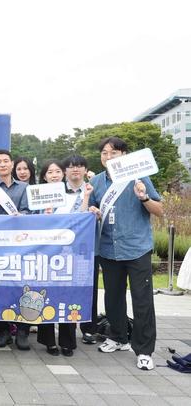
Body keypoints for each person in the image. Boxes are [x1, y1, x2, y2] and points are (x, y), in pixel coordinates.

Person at [88, 137, 163, 371]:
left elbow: (159, 210)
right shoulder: (96, 182)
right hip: (108, 249)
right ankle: (118, 337)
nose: (108, 157)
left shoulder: (139, 177)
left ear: (124, 155)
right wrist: (93, 210)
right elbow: (91, 209)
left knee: (142, 300)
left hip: (136, 248)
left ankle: (144, 350)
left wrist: (143, 197)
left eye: (113, 153)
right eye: (104, 153)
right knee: (112, 298)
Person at [0, 149, 30, 350]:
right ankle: (3, 331)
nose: (2, 164)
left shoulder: (24, 187)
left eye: (5, 161)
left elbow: (28, 211)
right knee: (0, 288)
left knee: (22, 287)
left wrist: (21, 215)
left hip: (20, 245)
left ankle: (23, 331)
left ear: (12, 164)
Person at [34, 160, 78, 357]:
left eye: (57, 171)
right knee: (46, 295)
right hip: (44, 253)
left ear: (63, 174)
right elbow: (31, 223)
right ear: (44, 176)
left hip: (68, 253)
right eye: (50, 172)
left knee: (67, 296)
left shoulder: (72, 197)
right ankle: (49, 341)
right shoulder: (36, 197)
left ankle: (67, 341)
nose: (54, 175)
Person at [62, 155, 99, 344]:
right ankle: (66, 330)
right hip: (62, 249)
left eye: (79, 166)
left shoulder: (94, 189)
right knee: (64, 287)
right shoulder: (57, 191)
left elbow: (101, 210)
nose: (75, 169)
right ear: (65, 171)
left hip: (87, 248)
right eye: (71, 166)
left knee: (88, 287)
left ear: (85, 169)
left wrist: (97, 212)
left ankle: (89, 329)